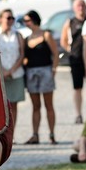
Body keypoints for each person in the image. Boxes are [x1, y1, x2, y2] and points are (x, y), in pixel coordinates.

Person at [22, 10, 58, 144]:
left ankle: (52, 134)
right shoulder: (27, 39)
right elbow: (25, 58)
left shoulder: (46, 35)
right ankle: (35, 134)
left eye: (27, 20)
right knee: (35, 106)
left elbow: (55, 53)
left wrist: (53, 70)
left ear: (34, 20)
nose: (25, 23)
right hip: (31, 73)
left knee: (49, 105)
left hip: (45, 70)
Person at [59, 0, 86, 123]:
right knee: (78, 88)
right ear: (74, 8)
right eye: (78, 5)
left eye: (83, 5)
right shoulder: (70, 22)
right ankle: (78, 114)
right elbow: (63, 40)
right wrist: (70, 50)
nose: (81, 8)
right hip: (76, 59)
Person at [0, 8, 25, 129]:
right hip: (0, 75)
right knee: (0, 106)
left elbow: (22, 54)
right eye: (8, 18)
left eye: (12, 18)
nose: (10, 20)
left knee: (14, 105)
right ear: (1, 19)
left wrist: (11, 70)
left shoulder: (18, 35)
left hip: (15, 73)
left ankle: (12, 132)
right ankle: (1, 131)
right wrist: (3, 71)